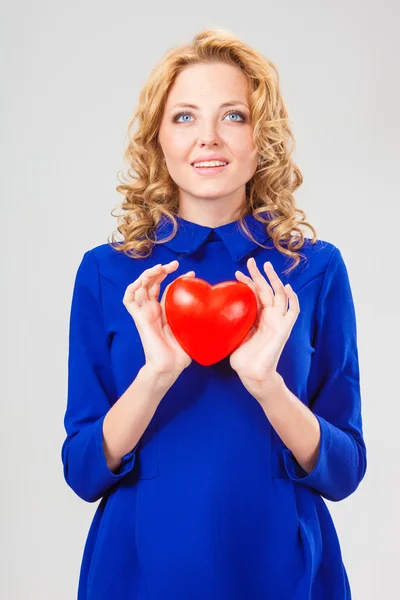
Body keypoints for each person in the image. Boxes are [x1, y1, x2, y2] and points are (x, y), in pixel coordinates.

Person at [61, 28, 367, 600]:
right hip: (138, 572)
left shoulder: (313, 269)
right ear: (158, 138)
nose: (207, 138)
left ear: (262, 138)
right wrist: (153, 378)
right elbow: (82, 471)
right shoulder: (107, 273)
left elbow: (345, 469)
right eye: (184, 118)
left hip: (282, 571)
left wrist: (267, 385)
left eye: (233, 116)